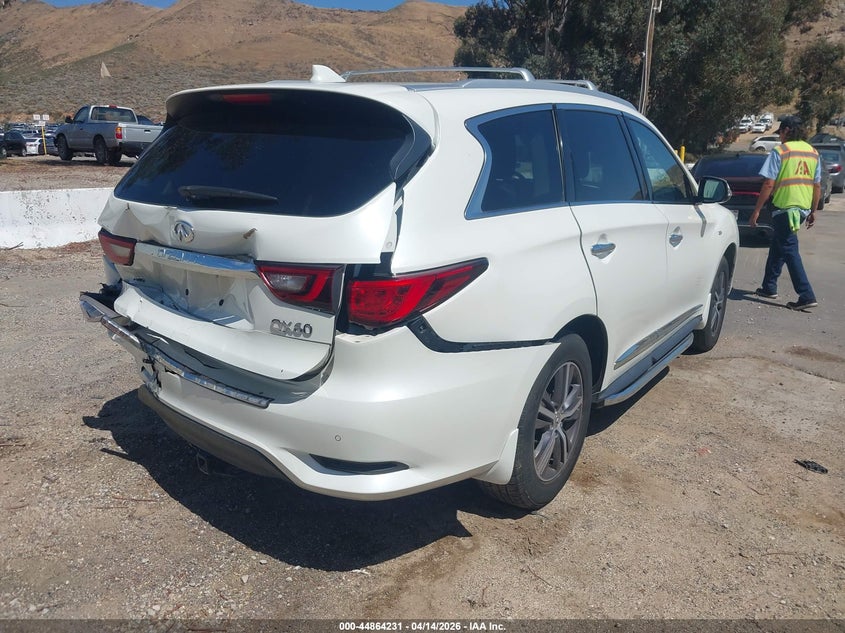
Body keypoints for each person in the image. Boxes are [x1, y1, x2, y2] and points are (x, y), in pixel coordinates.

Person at [749, 115, 820, 310]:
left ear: (786, 131)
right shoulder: (813, 152)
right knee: (780, 244)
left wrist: (756, 211)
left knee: (789, 248)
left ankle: (806, 294)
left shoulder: (781, 151)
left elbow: (769, 183)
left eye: (780, 132)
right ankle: (769, 287)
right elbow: (817, 185)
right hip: (802, 209)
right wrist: (813, 211)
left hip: (785, 208)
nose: (779, 136)